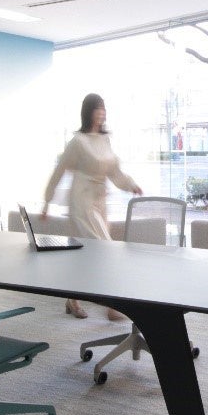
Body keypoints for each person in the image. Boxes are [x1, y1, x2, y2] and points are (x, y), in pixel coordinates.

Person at [42, 93, 142, 319]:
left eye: (103, 108)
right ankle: (114, 306)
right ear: (88, 112)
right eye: (97, 108)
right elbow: (59, 171)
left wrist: (131, 185)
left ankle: (72, 299)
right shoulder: (78, 142)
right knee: (104, 249)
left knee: (86, 253)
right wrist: (47, 201)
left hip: (99, 201)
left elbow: (114, 171)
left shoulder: (105, 140)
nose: (102, 112)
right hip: (82, 202)